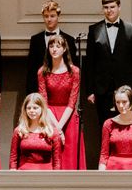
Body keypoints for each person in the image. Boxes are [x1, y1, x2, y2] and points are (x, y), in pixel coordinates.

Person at [84, 0, 132, 123]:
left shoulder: (131, 30)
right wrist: (90, 91)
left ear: (119, 7)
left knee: (127, 126)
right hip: (102, 91)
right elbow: (90, 63)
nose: (109, 10)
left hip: (126, 90)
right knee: (105, 126)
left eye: (112, 7)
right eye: (106, 7)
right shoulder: (94, 30)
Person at [38, 33, 84, 169]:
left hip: (69, 117)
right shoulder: (42, 72)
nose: (54, 49)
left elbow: (72, 102)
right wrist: (57, 128)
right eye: (51, 46)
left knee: (70, 156)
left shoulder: (74, 71)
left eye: (58, 46)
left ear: (64, 49)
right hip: (50, 116)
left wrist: (59, 128)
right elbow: (44, 102)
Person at [24, 0, 77, 95]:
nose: (49, 19)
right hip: (40, 91)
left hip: (62, 91)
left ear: (58, 16)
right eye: (46, 16)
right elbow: (31, 70)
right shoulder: (35, 40)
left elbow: (72, 69)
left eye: (52, 16)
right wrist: (32, 94)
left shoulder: (69, 40)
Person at [99, 85, 132, 170]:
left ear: (131, 102)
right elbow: (104, 155)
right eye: (118, 102)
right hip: (113, 168)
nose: (121, 105)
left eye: (124, 102)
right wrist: (101, 175)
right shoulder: (108, 124)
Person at [9, 92, 61, 170]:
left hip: (46, 174)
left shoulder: (52, 132)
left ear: (42, 109)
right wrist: (13, 172)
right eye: (28, 108)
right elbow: (13, 157)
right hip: (24, 173)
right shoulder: (19, 131)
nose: (31, 110)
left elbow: (57, 161)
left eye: (35, 108)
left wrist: (56, 176)